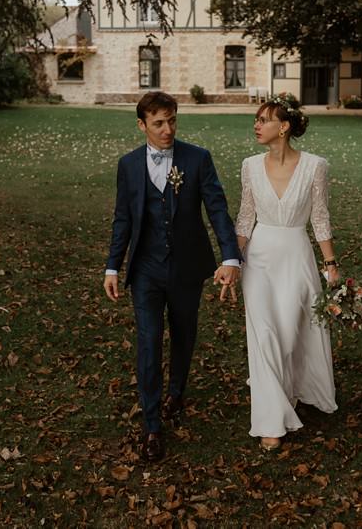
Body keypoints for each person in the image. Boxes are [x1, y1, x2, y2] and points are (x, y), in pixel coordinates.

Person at [104, 91, 242, 462]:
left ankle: (176, 392)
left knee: (184, 335)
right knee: (149, 343)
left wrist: (231, 256)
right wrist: (113, 266)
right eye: (159, 123)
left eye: (173, 121)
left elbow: (217, 209)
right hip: (146, 269)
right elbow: (123, 219)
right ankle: (151, 427)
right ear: (142, 125)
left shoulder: (197, 159)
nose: (168, 130)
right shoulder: (128, 165)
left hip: (186, 267)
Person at [235, 93, 339, 450]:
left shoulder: (314, 166)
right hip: (259, 259)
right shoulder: (249, 166)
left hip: (296, 256)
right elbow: (245, 217)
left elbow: (320, 217)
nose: (257, 125)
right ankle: (270, 421)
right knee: (263, 335)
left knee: (289, 336)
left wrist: (331, 265)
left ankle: (291, 388)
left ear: (285, 127)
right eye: (256, 119)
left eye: (264, 120)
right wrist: (233, 262)